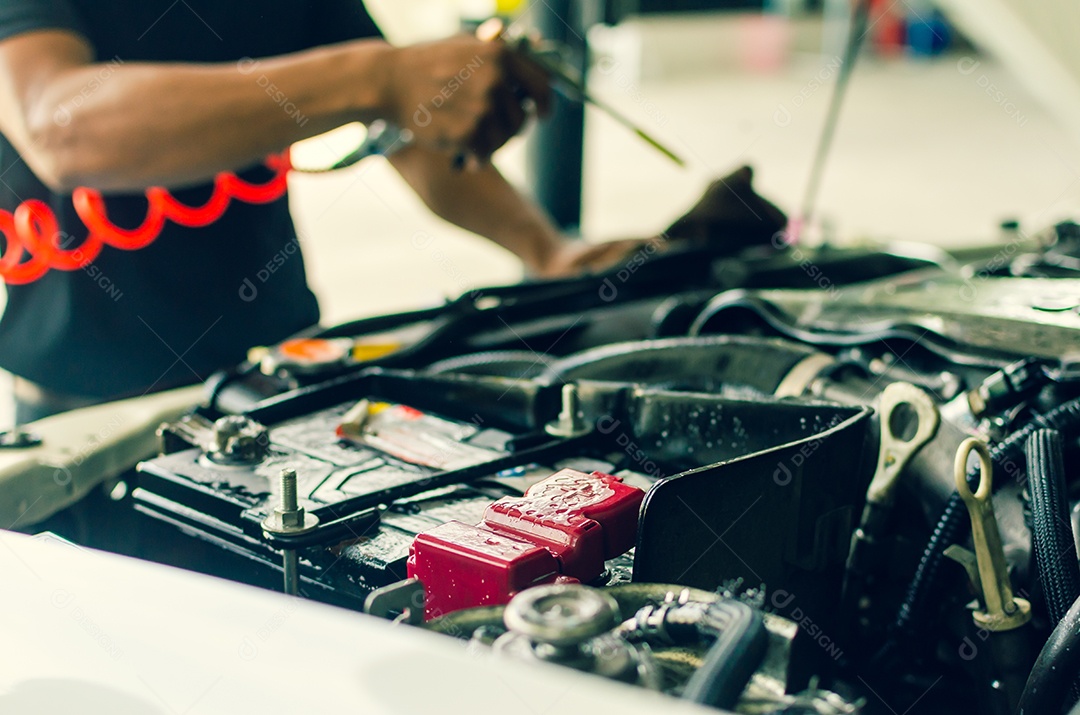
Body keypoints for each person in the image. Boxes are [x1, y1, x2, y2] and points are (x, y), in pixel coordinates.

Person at [0, 0, 649, 422]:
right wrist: (378, 77)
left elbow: (411, 132)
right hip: (83, 419)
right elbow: (60, 126)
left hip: (272, 383)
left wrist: (542, 246)